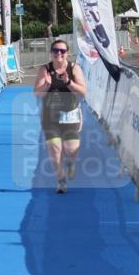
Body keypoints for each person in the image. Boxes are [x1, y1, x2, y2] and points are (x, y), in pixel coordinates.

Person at [34, 38, 87, 194]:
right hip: (50, 117)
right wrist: (47, 85)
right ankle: (61, 181)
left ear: (67, 53)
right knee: (55, 150)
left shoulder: (74, 68)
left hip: (71, 115)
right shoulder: (45, 70)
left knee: (71, 149)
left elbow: (83, 93)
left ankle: (70, 162)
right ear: (51, 53)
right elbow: (37, 93)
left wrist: (69, 82)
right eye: (55, 50)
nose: (59, 53)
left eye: (62, 51)